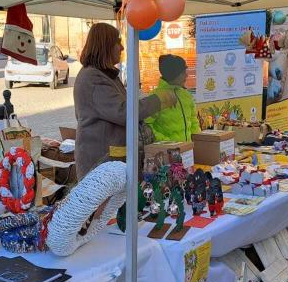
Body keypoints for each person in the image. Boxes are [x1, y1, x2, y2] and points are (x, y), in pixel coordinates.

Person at [73, 23, 176, 178]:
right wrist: (159, 100)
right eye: (118, 42)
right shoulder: (92, 78)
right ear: (106, 45)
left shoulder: (107, 75)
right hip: (100, 166)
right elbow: (124, 112)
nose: (122, 48)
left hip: (111, 163)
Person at [145, 54, 201, 142]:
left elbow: (194, 121)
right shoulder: (155, 97)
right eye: (183, 73)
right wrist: (167, 142)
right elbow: (147, 126)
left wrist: (197, 142)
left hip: (187, 152)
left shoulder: (186, 95)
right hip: (167, 153)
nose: (186, 76)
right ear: (174, 74)